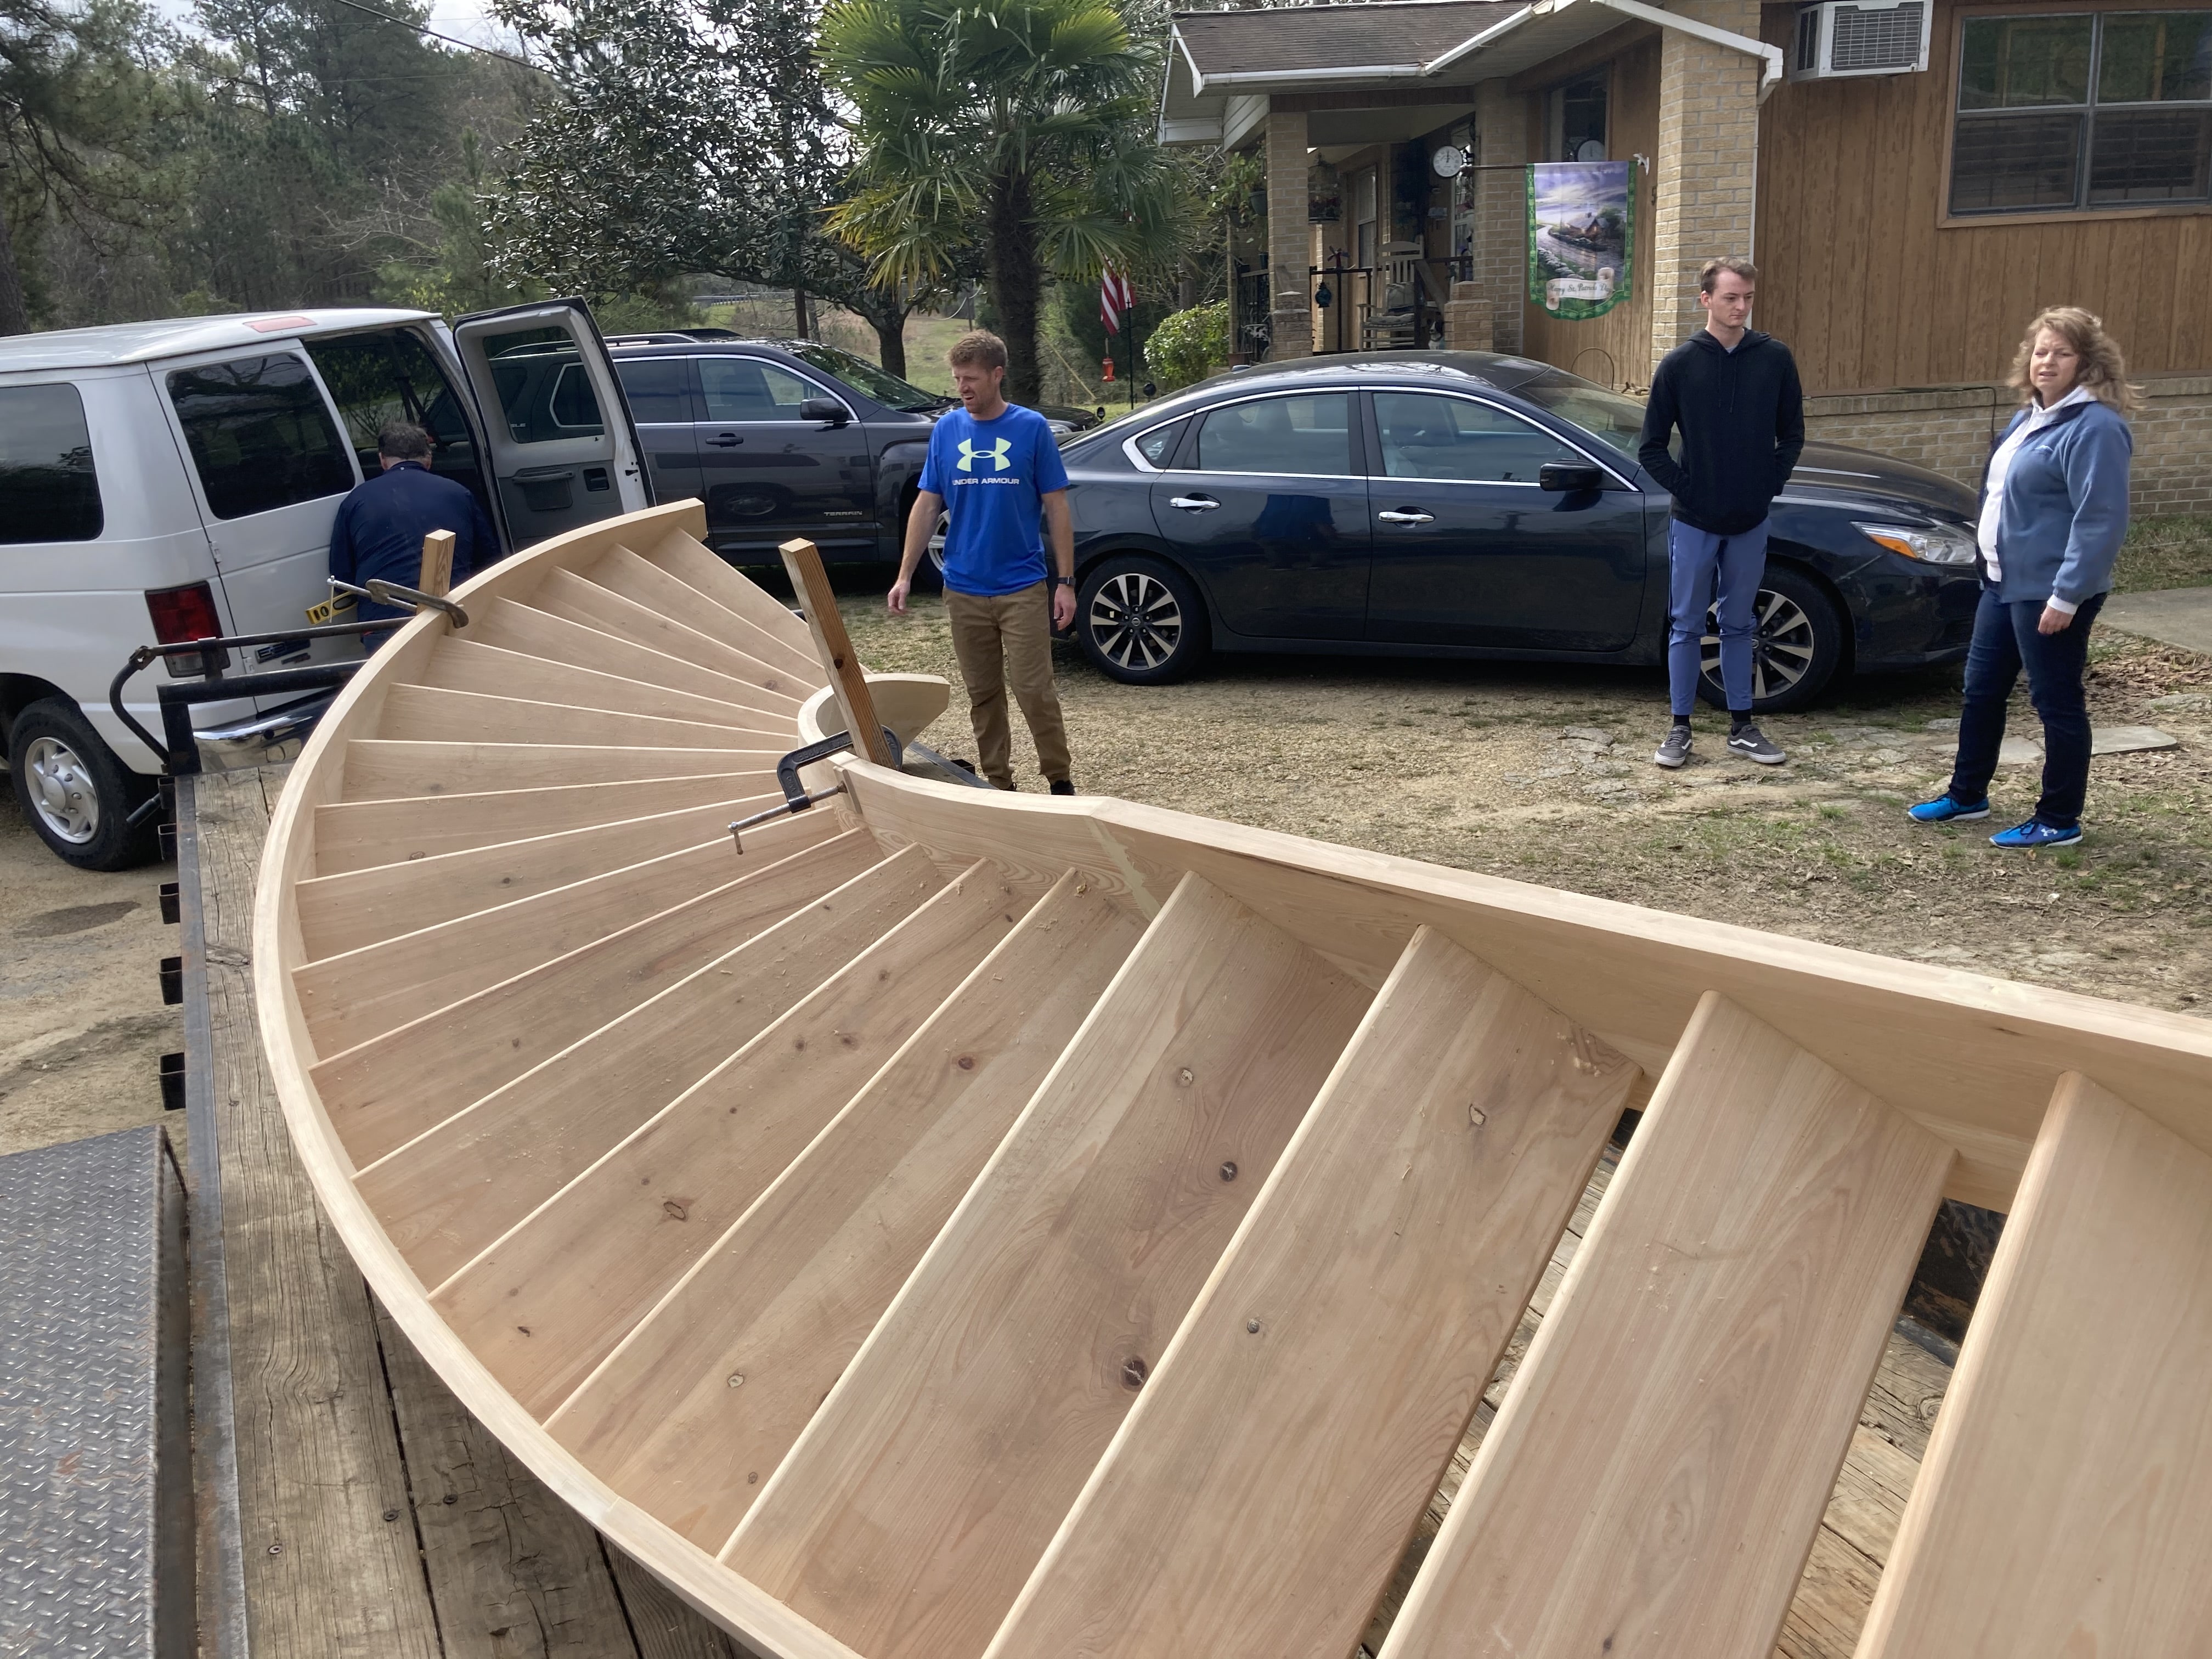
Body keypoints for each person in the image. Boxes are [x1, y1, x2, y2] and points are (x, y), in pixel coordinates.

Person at [1908, 307, 2136, 850]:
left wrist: (2067, 596)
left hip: (2050, 592)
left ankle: (2059, 818)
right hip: (2002, 583)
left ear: (2087, 363)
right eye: (2040, 351)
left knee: (2056, 701)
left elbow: (2101, 519)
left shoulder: (2097, 427)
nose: (2046, 362)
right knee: (1981, 691)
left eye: (2062, 353)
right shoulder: (2028, 418)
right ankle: (1967, 795)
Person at [888, 331, 1077, 795]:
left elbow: (1057, 508)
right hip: (964, 588)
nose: (962, 388)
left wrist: (1066, 582)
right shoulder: (947, 430)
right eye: (957, 378)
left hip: (1021, 586)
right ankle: (999, 783)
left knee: (1033, 690)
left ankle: (1059, 779)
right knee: (983, 694)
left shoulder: (1031, 428)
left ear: (997, 374)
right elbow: (927, 505)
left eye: (971, 378)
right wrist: (905, 574)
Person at [1638, 256, 1804, 770]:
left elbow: (1792, 435)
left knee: (1739, 622)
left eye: (1748, 298)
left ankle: (1743, 726)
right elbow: (1651, 448)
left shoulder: (1774, 358)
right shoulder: (1680, 364)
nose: (1741, 307)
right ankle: (1680, 728)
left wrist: (1767, 486)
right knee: (1687, 623)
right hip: (1693, 520)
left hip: (1750, 518)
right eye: (1731, 298)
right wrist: (1691, 491)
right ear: (1706, 299)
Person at [329, 421, 499, 648]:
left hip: (385, 626)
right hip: (452, 615)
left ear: (382, 460)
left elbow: (341, 579)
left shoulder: (355, 501)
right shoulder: (460, 494)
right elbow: (489, 563)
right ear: (428, 459)